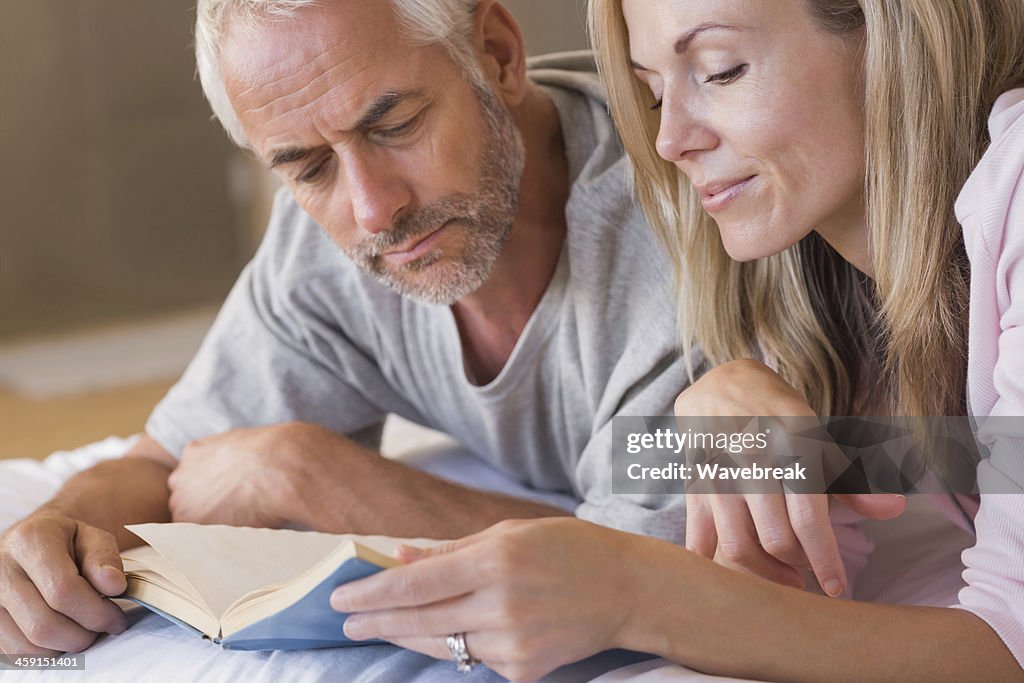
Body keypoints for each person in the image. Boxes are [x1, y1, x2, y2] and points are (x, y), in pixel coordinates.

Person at [332, 0, 1024, 680]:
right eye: (655, 91)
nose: (670, 140)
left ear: (889, 29)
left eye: (721, 71)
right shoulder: (820, 276)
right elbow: (937, 477)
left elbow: (1008, 644)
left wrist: (635, 591)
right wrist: (726, 420)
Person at [0, 0, 697, 658]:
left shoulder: (698, 220)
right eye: (308, 166)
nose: (372, 210)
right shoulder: (324, 247)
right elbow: (164, 465)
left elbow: (663, 581)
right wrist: (57, 534)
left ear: (498, 52)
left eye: (394, 127)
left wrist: (308, 474)